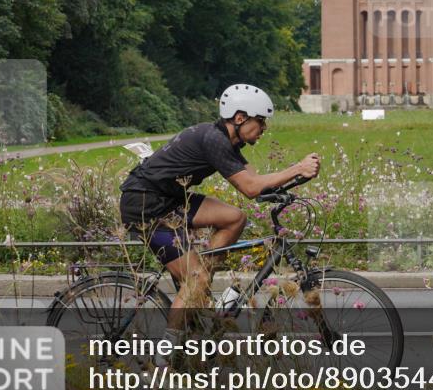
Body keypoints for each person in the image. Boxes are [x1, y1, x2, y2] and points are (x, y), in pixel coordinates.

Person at [119, 84, 321, 365]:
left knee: (234, 218)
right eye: (260, 121)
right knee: (196, 279)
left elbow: (258, 182)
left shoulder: (227, 142)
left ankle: (199, 294)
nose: (263, 128)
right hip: (145, 205)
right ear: (240, 118)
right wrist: (297, 168)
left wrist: (294, 182)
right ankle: (163, 363)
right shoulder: (213, 139)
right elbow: (250, 188)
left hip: (168, 199)